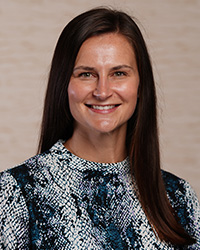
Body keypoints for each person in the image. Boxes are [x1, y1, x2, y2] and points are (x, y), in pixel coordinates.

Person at [0, 7, 199, 250]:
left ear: (140, 85)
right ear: (64, 84)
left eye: (119, 73)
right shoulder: (17, 192)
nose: (102, 91)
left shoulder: (177, 196)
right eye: (86, 74)